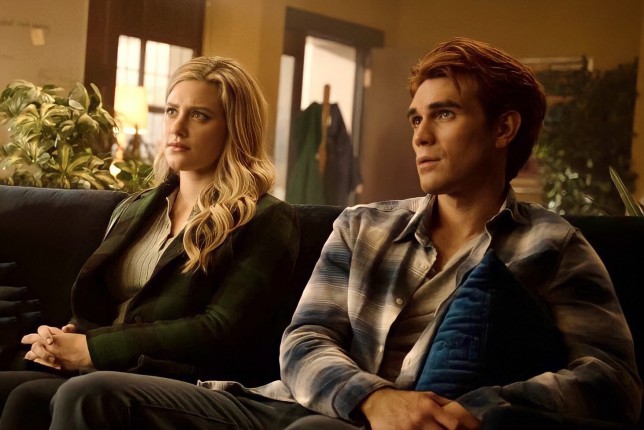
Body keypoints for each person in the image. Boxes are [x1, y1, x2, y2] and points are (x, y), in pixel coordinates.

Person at [49, 37, 641, 429]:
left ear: (504, 128)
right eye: (416, 117)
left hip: (393, 422)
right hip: (298, 404)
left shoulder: (553, 245)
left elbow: (612, 381)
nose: (420, 135)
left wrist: (474, 409)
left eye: (444, 114)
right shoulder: (364, 226)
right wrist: (371, 398)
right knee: (89, 396)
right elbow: (303, 339)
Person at [0, 56, 300, 429]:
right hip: (111, 368)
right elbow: (101, 305)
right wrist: (66, 339)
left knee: (70, 394)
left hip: (191, 380)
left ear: (234, 130)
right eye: (172, 111)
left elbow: (220, 328)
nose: (177, 126)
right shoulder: (137, 207)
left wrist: (95, 349)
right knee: (13, 391)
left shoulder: (266, 218)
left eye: (199, 116)